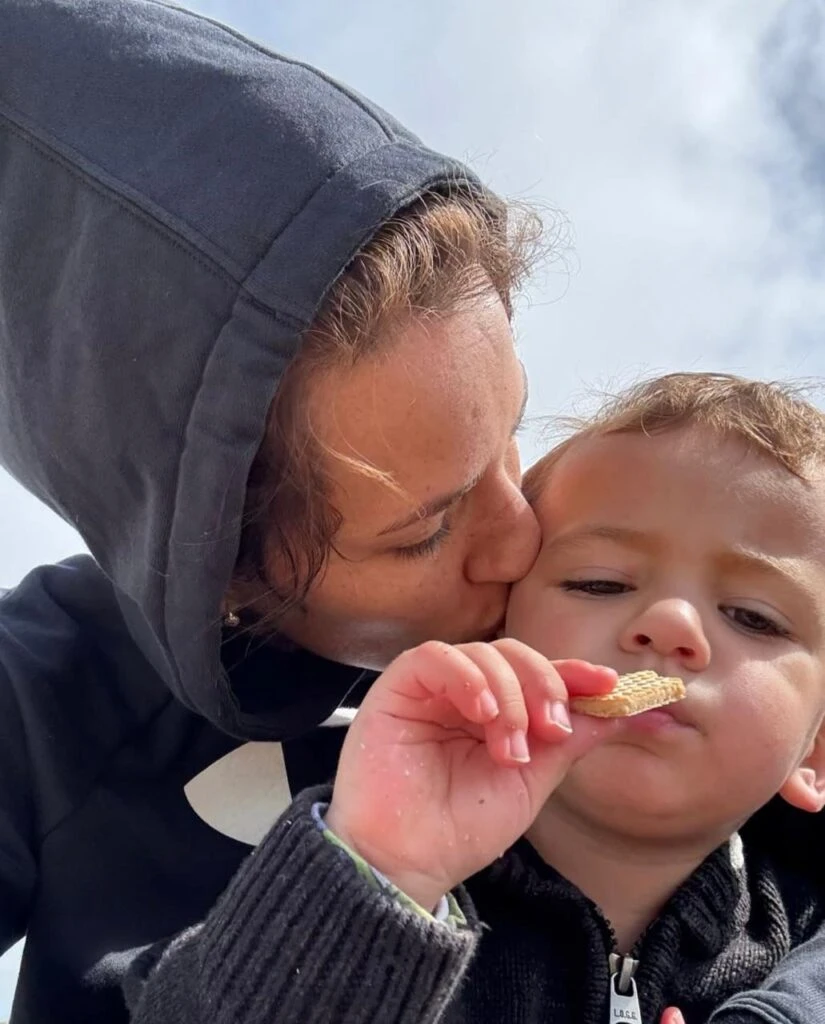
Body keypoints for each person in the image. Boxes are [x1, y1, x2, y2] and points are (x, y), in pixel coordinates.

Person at [1, 0, 823, 1020]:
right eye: (427, 527)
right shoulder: (63, 687)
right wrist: (364, 887)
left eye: (509, 435)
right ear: (230, 583)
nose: (522, 538)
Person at [173, 372, 825, 1024]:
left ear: (816, 751)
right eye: (598, 583)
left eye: (754, 618)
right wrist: (380, 874)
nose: (670, 623)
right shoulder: (334, 859)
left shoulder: (802, 960)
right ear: (492, 634)